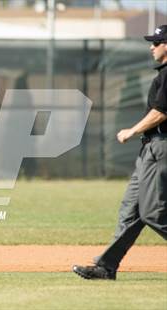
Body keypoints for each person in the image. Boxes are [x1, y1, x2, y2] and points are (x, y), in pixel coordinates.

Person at [73, 25, 167, 280]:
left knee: (152, 213)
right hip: (149, 148)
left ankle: (106, 265)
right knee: (130, 209)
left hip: (161, 146)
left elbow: (161, 112)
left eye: (157, 42)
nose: (151, 46)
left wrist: (132, 131)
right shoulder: (162, 74)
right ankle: (106, 266)